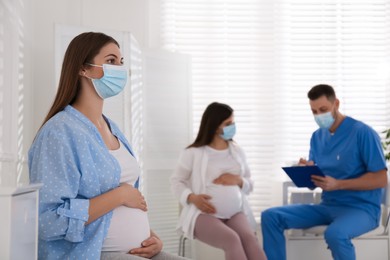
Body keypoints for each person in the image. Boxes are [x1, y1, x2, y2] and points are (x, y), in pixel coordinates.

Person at [28, 32, 187, 260]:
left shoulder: (112, 128)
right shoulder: (59, 132)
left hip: (139, 250)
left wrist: (151, 237)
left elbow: (123, 207)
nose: (120, 69)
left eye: (121, 62)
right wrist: (119, 195)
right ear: (83, 68)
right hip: (89, 253)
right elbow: (47, 221)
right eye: (111, 61)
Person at [261, 84, 388, 260]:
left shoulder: (362, 133)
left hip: (362, 209)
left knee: (335, 234)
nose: (319, 115)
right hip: (328, 206)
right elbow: (317, 184)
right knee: (270, 217)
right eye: (314, 112)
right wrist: (307, 173)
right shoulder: (317, 137)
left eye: (323, 109)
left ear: (336, 103)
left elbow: (381, 179)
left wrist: (339, 184)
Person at [170, 102, 267, 260]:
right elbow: (176, 181)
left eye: (233, 123)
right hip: (203, 214)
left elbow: (249, 184)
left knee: (250, 240)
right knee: (232, 240)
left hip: (235, 212)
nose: (233, 127)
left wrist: (238, 180)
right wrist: (192, 198)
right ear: (215, 126)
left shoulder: (237, 151)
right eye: (228, 124)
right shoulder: (193, 153)